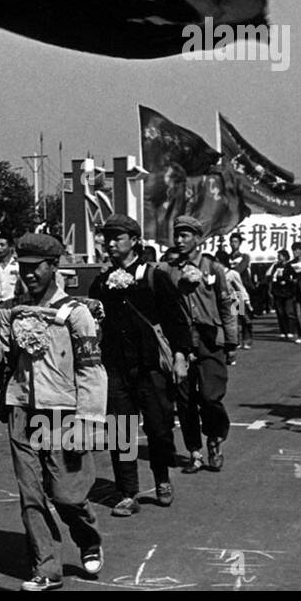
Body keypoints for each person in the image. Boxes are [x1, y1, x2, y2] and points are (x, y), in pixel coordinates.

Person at [0, 233, 106, 591]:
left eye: (35, 268)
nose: (28, 274)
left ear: (54, 266)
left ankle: (87, 535)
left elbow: (91, 370)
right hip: (22, 407)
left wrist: (89, 421)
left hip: (63, 412)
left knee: (67, 495)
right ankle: (46, 567)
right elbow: (3, 359)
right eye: (23, 267)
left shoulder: (76, 314)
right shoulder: (14, 309)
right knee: (30, 493)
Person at [88, 214, 192, 516]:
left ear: (134, 241)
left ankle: (161, 477)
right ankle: (128, 492)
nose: (110, 243)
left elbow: (176, 318)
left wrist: (181, 355)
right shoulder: (101, 281)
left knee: (159, 429)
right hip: (116, 367)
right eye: (107, 238)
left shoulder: (153, 275)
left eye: (117, 237)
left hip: (151, 367)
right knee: (121, 430)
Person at [171, 216, 239, 474]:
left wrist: (232, 340)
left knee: (211, 396)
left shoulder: (214, 268)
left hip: (211, 340)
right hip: (182, 343)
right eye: (177, 235)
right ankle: (195, 452)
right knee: (185, 400)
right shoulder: (170, 269)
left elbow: (230, 303)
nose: (180, 240)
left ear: (197, 238)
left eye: (185, 235)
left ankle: (215, 436)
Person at [267, 250, 297, 340]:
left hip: (288, 291)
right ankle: (283, 331)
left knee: (289, 311)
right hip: (277, 291)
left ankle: (291, 330)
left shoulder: (290, 265)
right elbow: (270, 276)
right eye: (278, 255)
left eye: (281, 255)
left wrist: (288, 281)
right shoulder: (276, 266)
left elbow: (294, 277)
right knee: (280, 312)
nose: (279, 257)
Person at [226, 260, 254, 351]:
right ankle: (236, 341)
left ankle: (246, 340)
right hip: (231, 299)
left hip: (239, 297)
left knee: (244, 319)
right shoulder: (219, 273)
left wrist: (247, 301)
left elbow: (240, 287)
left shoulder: (232, 273)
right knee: (235, 321)